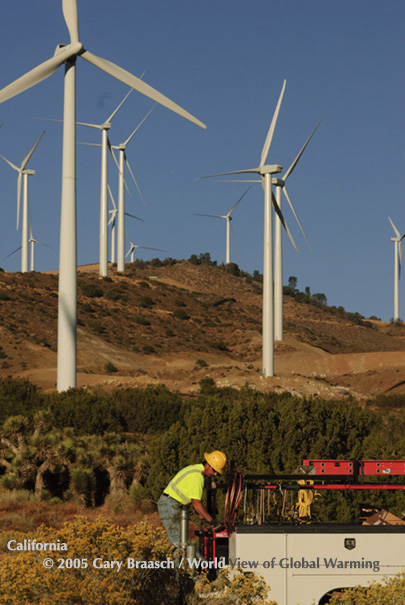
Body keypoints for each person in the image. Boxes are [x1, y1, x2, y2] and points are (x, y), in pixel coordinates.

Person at [158, 450, 227, 551]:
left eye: (217, 472)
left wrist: (202, 514)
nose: (215, 474)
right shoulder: (197, 476)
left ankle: (183, 565)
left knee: (183, 543)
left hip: (171, 504)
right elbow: (196, 503)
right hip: (169, 504)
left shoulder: (196, 470)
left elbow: (194, 501)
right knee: (179, 543)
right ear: (208, 465)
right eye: (214, 470)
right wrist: (212, 521)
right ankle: (180, 566)